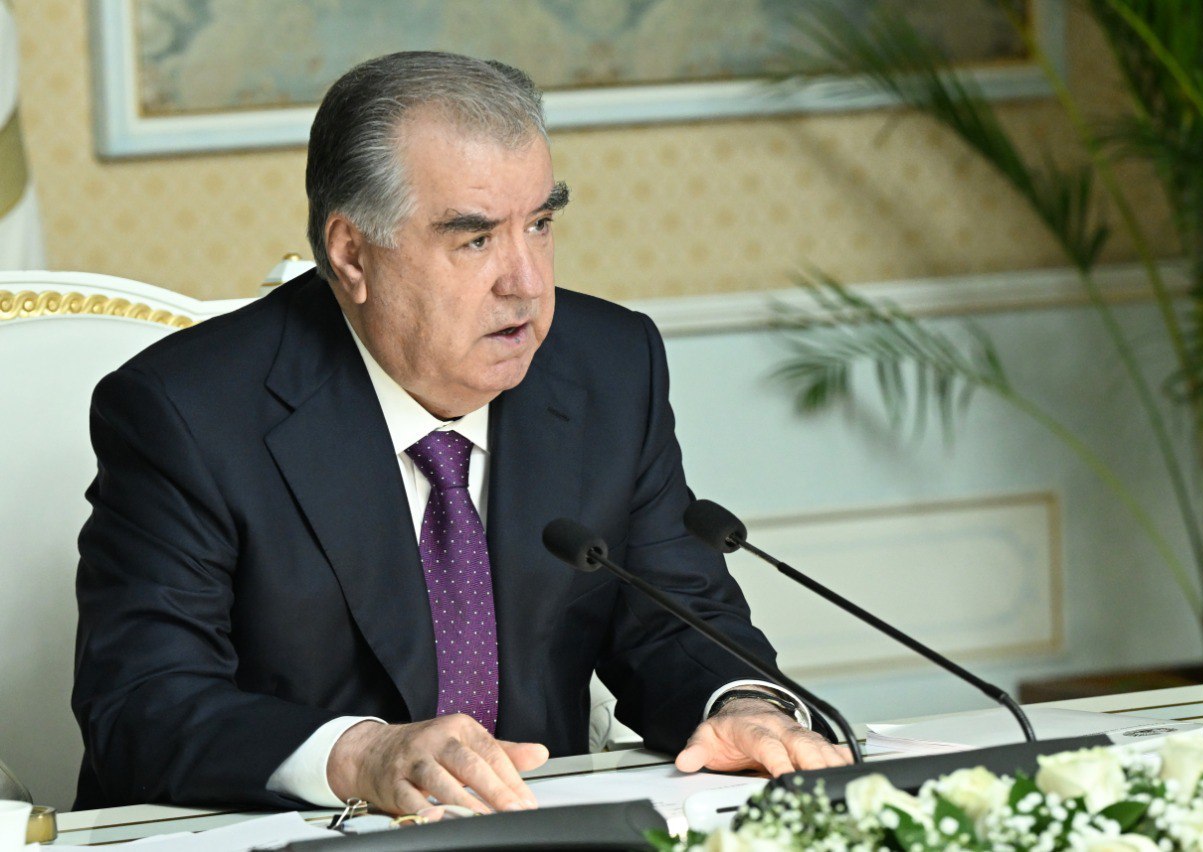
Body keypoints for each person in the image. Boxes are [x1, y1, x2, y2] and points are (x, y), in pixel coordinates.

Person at [72, 51, 849, 816]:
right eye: (475, 240)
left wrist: (743, 704)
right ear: (351, 255)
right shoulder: (186, 412)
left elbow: (677, 620)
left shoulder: (609, 369)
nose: (527, 283)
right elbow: (141, 703)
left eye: (539, 225)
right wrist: (361, 756)